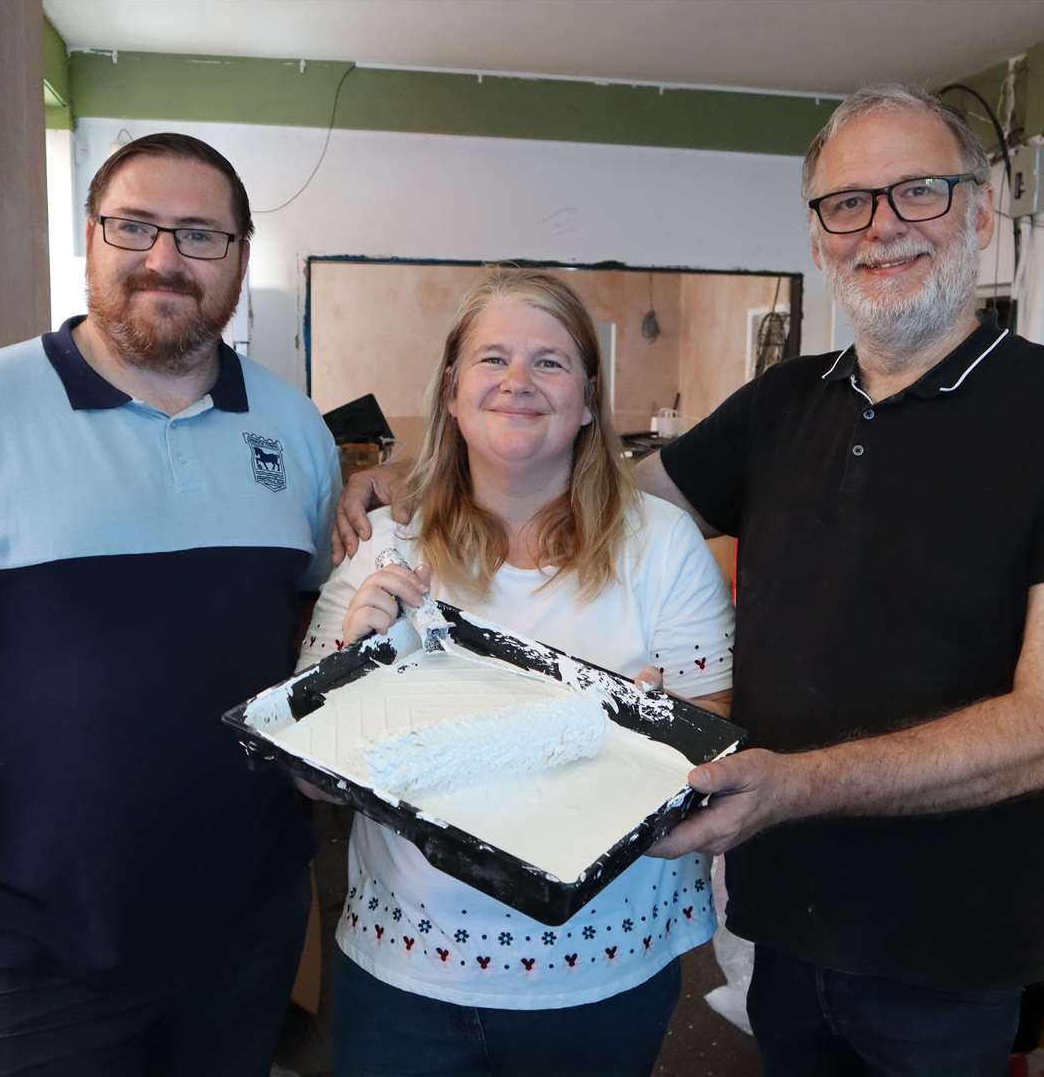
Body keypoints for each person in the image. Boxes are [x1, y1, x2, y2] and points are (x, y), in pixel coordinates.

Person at [333, 86, 1044, 1075]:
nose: (882, 228)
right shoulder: (783, 405)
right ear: (819, 235)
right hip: (786, 922)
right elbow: (601, 493)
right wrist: (423, 476)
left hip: (947, 946)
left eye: (920, 194)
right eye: (848, 203)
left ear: (981, 213)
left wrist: (795, 787)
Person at [0, 133, 339, 1076]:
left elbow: (322, 637)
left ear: (238, 257)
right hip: (33, 952)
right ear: (90, 239)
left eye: (200, 236)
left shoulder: (295, 430)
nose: (164, 258)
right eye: (135, 227)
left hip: (246, 930)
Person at [307, 268, 734, 1076]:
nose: (517, 382)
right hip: (408, 972)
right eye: (491, 359)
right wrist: (351, 673)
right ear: (452, 390)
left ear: (586, 396)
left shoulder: (662, 545)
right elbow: (314, 784)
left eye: (550, 361)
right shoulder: (386, 544)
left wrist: (655, 746)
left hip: (604, 972)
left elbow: (705, 760)